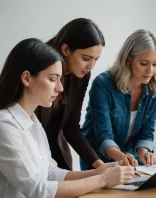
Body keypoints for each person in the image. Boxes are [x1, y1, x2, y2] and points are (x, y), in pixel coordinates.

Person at [0, 38, 135, 198]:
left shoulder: (34, 124)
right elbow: (38, 189)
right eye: (52, 79)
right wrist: (102, 180)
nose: (60, 88)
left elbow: (50, 173)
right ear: (27, 78)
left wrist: (98, 172)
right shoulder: (5, 125)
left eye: (60, 79)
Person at [80, 29, 156, 169]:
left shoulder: (155, 89)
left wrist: (144, 152)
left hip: (131, 160)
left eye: (155, 64)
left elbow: (146, 133)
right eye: (144, 64)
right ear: (128, 60)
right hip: (98, 160)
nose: (150, 70)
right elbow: (103, 135)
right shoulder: (103, 84)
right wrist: (120, 156)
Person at [35, 18, 105, 170]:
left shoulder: (81, 75)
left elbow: (71, 126)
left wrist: (99, 164)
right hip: (30, 153)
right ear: (65, 50)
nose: (91, 66)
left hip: (55, 153)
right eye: (86, 58)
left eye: (96, 60)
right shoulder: (37, 70)